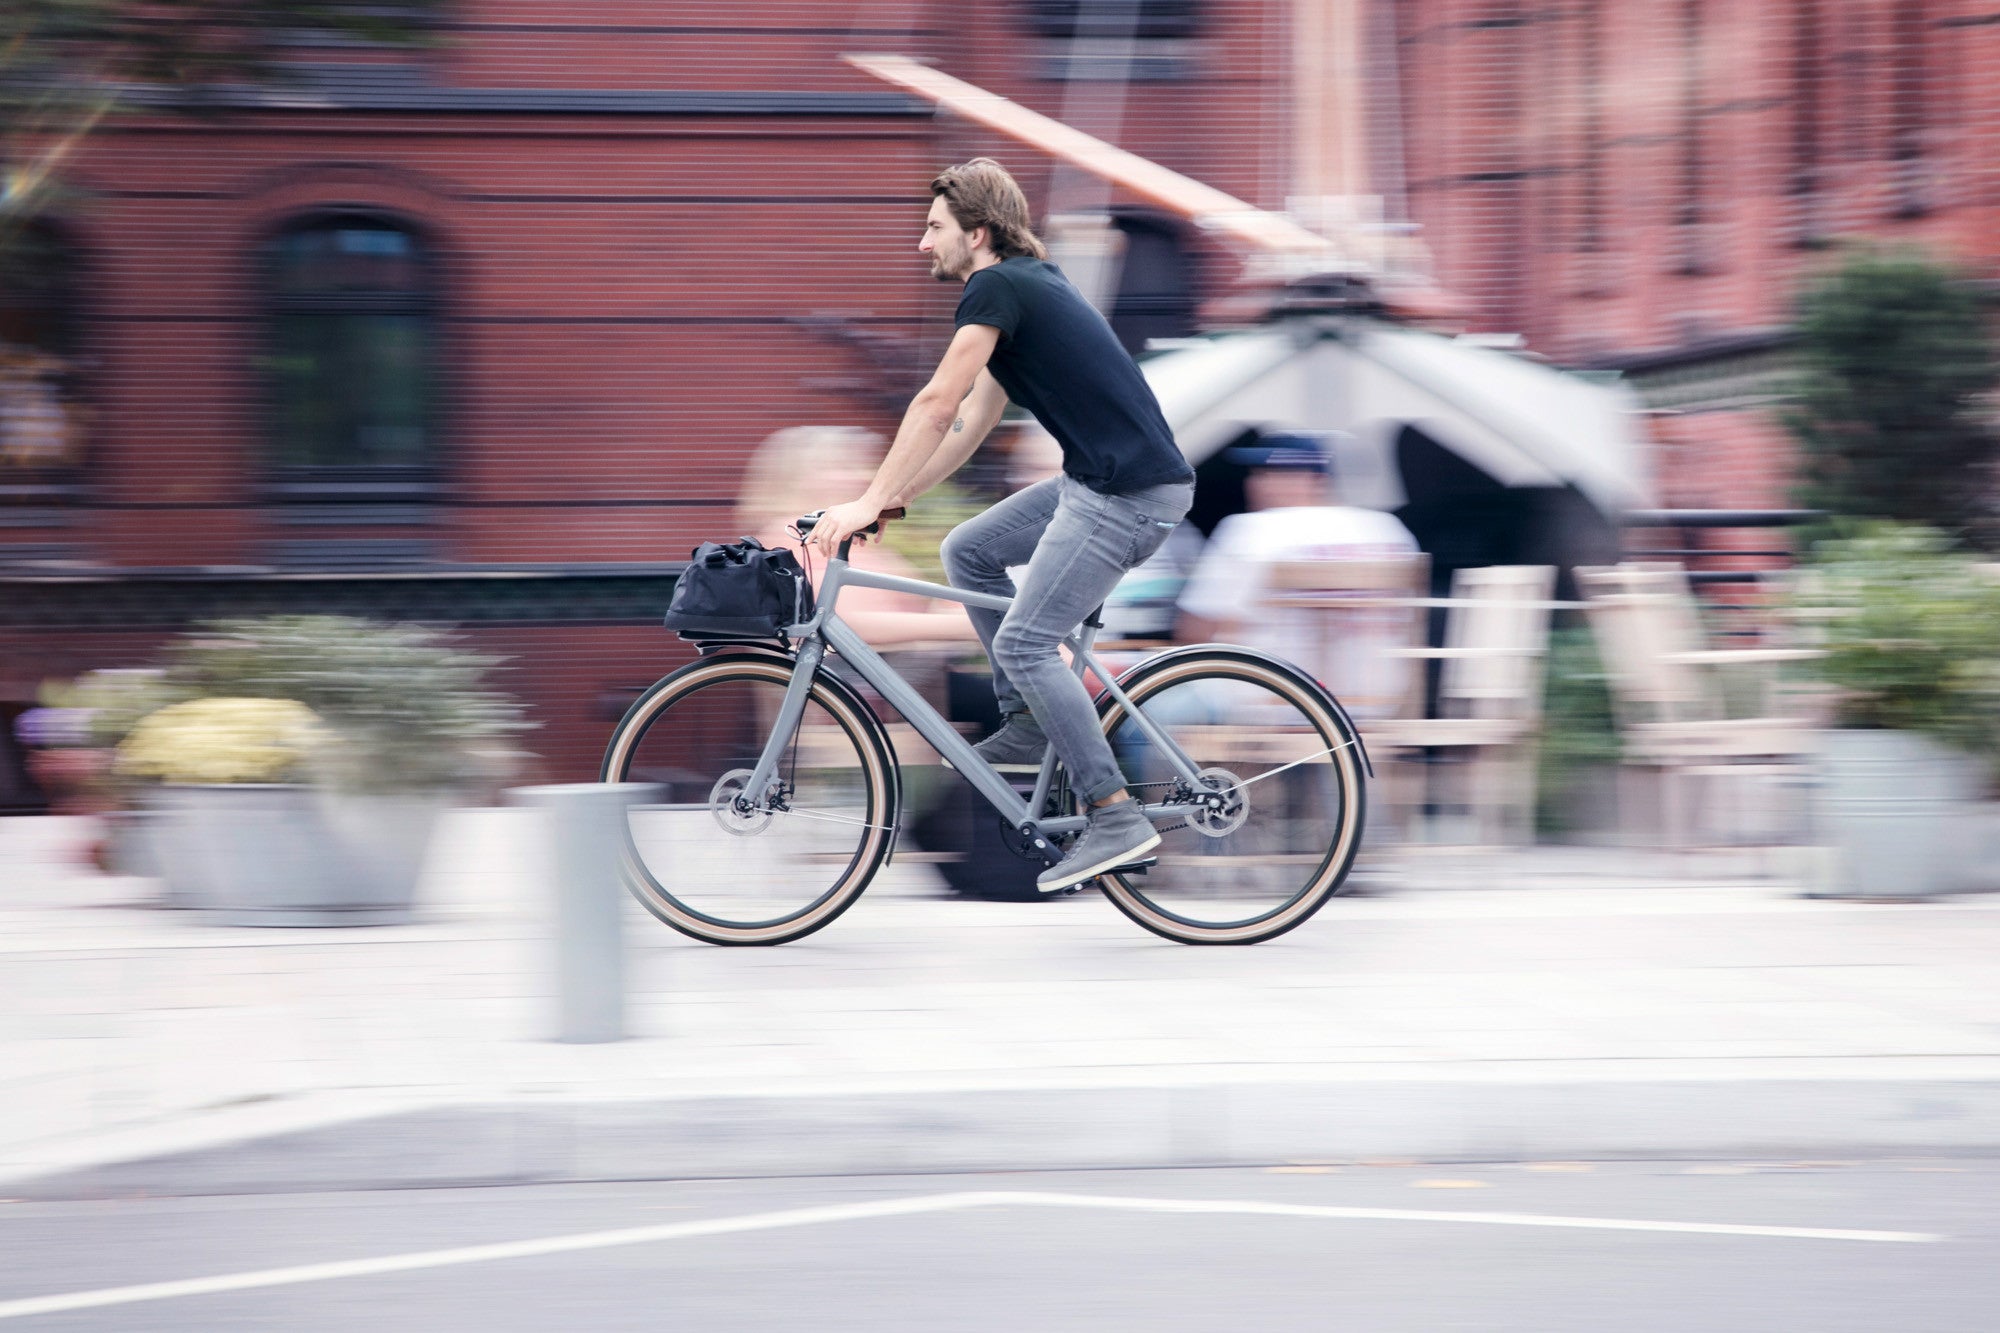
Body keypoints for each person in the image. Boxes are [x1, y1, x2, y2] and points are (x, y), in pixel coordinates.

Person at [808, 158, 1196, 892]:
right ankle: (1026, 714)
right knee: (970, 549)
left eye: (934, 228)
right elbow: (966, 425)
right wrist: (895, 499)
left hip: (1127, 496)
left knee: (1023, 638)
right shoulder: (1021, 293)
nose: (924, 244)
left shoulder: (997, 285)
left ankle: (1113, 813)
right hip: (1103, 484)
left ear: (978, 233)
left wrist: (862, 500)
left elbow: (933, 401)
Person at [1176, 433, 1421, 720]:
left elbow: (1193, 633)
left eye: (1268, 474)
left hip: (1275, 700)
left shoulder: (1252, 532)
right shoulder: (1389, 531)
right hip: (1375, 703)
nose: (1255, 483)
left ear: (1314, 480)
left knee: (1148, 708)